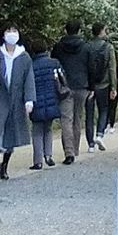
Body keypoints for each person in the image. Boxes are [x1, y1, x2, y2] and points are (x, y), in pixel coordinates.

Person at [0, 27, 34, 181]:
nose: (12, 34)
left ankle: (4, 167)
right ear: (4, 35)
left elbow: (29, 79)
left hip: (16, 100)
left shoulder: (24, 57)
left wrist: (29, 100)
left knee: (11, 135)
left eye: (14, 31)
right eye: (9, 31)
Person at [52, 21, 88, 163]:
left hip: (64, 86)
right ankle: (76, 148)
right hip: (81, 85)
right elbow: (90, 66)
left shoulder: (58, 47)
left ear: (66, 31)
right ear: (79, 31)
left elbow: (54, 64)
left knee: (66, 119)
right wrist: (90, 86)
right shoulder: (85, 47)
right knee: (78, 118)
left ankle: (69, 152)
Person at [28, 34, 66, 169]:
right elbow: (62, 79)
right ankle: (49, 156)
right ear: (45, 49)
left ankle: (38, 161)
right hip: (52, 100)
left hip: (36, 101)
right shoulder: (54, 63)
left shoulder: (30, 66)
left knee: (37, 131)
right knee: (48, 129)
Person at [82, 23, 116, 151]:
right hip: (104, 83)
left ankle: (90, 144)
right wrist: (113, 87)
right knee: (104, 109)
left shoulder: (86, 46)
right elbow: (112, 68)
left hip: (89, 85)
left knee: (89, 114)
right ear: (101, 31)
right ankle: (100, 134)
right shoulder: (108, 47)